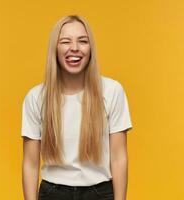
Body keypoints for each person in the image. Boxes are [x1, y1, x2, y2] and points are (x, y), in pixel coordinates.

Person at [21, 15, 132, 200]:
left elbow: (119, 158)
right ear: (55, 49)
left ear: (91, 49)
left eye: (83, 41)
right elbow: (30, 164)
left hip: (100, 193)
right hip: (53, 193)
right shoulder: (36, 98)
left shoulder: (112, 91)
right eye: (65, 41)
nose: (75, 48)